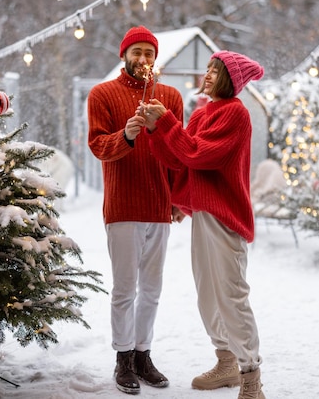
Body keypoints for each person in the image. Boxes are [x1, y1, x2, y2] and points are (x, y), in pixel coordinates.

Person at [136, 50, 266, 399]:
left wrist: (165, 123)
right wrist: (154, 129)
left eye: (214, 70)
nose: (207, 75)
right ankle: (226, 364)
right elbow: (179, 158)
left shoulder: (235, 114)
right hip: (204, 216)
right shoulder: (204, 111)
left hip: (225, 218)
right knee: (207, 295)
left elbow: (199, 154)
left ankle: (251, 376)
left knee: (231, 295)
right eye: (207, 69)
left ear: (230, 79)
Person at [86, 25, 184, 395]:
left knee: (153, 289)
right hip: (124, 205)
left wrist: (176, 200)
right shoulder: (103, 94)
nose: (143, 59)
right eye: (137, 52)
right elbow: (98, 145)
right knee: (125, 289)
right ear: (123, 54)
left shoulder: (170, 96)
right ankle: (123, 358)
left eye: (149, 53)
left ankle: (144, 354)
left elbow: (179, 153)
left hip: (159, 204)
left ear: (155, 58)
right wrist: (127, 135)